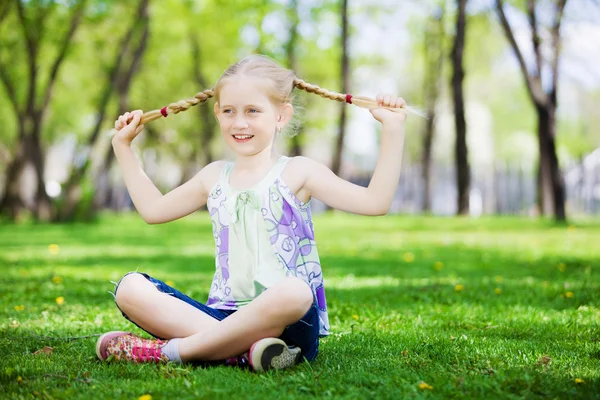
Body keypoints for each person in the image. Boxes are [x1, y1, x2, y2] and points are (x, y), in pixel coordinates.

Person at [96, 54, 408, 372]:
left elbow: (375, 202)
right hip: (221, 316)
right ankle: (245, 353)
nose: (239, 122)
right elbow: (153, 210)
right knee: (130, 287)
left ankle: (172, 351)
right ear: (217, 114)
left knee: (295, 290)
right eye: (229, 111)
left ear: (281, 115)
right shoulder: (213, 176)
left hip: (289, 324)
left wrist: (393, 130)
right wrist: (123, 148)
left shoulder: (297, 172)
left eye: (253, 111)